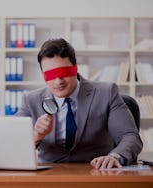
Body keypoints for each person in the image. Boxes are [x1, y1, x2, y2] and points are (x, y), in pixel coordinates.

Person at [16, 38, 143, 169]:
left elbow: (130, 137)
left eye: (63, 72)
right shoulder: (30, 100)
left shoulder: (107, 93)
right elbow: (13, 145)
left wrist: (114, 156)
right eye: (50, 74)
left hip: (96, 173)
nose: (58, 81)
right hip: (49, 175)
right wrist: (36, 136)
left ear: (75, 68)